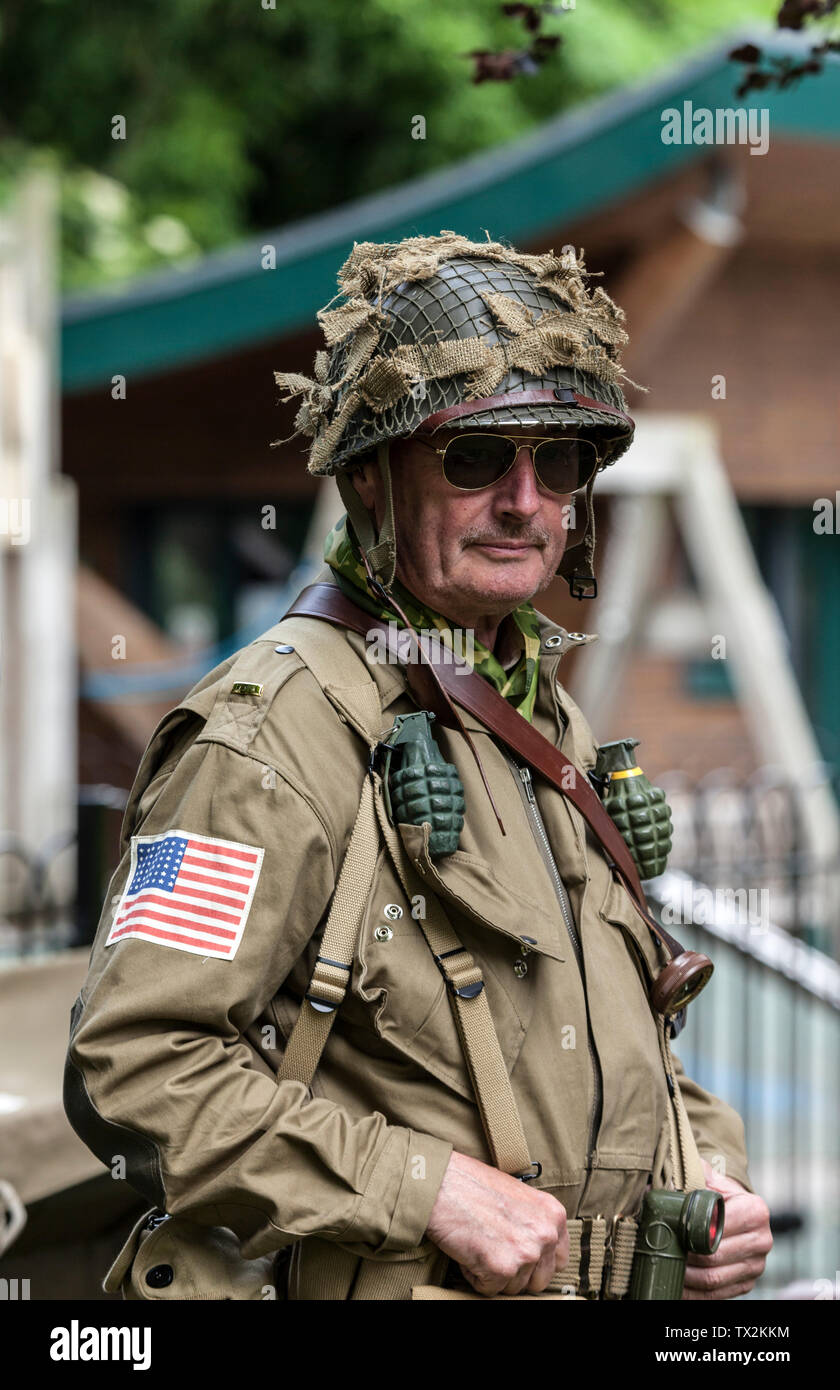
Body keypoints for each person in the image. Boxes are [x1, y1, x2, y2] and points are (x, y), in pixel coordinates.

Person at [64, 231, 772, 1301]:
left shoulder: (546, 724)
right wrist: (426, 1188)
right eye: (476, 456)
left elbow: (601, 1049)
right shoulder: (269, 735)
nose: (525, 501)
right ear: (372, 480)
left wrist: (709, 1174)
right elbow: (138, 1069)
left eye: (560, 459)